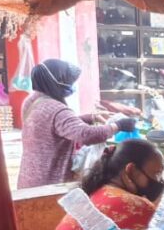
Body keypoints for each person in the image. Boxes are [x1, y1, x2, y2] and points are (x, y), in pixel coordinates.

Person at [18, 59, 136, 189]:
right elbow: (85, 135)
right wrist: (118, 126)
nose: (71, 85)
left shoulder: (32, 101)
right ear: (57, 82)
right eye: (68, 81)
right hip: (49, 183)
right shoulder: (56, 109)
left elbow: (53, 125)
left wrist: (90, 117)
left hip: (29, 179)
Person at [49, 139, 164, 230]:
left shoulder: (97, 192)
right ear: (131, 170)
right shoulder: (137, 206)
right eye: (157, 173)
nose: (161, 181)